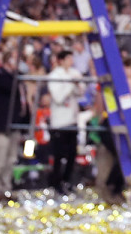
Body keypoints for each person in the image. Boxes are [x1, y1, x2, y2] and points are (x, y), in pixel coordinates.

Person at [0, 52, 30, 202]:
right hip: (2, 125)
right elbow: (9, 88)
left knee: (11, 159)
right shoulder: (1, 77)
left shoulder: (18, 80)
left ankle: (6, 188)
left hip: (14, 124)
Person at [46, 49, 82, 193]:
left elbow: (81, 92)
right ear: (61, 60)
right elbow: (58, 97)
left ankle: (67, 181)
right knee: (58, 154)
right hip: (59, 122)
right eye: (68, 59)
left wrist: (76, 84)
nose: (71, 62)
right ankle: (56, 182)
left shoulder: (74, 73)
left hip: (72, 120)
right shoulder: (54, 76)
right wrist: (71, 84)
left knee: (72, 153)